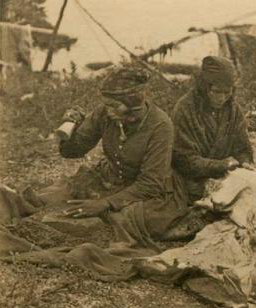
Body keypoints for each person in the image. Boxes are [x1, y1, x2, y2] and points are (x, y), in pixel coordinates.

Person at [55, 65, 188, 247]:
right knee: (61, 197)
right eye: (107, 105)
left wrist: (106, 203)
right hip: (111, 179)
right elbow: (72, 152)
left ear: (133, 103)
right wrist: (71, 125)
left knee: (127, 220)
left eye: (114, 106)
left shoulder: (160, 126)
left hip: (148, 193)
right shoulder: (106, 114)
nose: (108, 111)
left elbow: (150, 183)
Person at [173, 56, 254, 202]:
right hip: (193, 179)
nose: (222, 98)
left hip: (227, 177)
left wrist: (245, 161)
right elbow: (183, 159)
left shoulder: (233, 110)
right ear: (205, 88)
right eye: (216, 92)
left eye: (227, 92)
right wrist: (221, 165)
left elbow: (241, 147)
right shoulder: (185, 109)